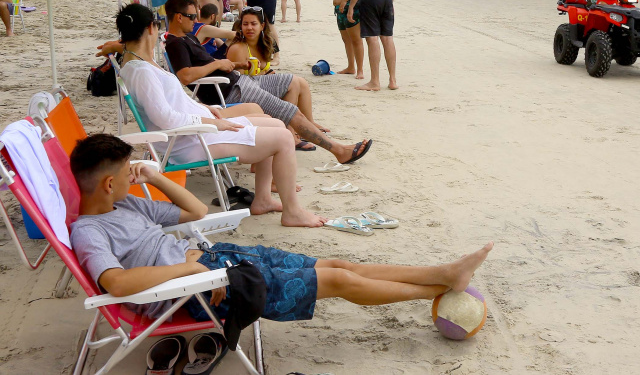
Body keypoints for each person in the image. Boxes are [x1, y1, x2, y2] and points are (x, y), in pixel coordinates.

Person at [68, 134, 493, 330]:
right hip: (202, 289)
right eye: (127, 172)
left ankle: (443, 272)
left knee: (338, 264)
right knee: (340, 281)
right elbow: (117, 282)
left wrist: (154, 178)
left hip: (214, 261)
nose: (132, 177)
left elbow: (195, 210)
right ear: (107, 184)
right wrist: (185, 271)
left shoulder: (126, 202)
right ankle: (439, 292)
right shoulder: (89, 231)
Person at [112, 6, 327, 227]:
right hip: (190, 141)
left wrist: (204, 108)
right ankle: (293, 211)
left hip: (194, 132)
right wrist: (212, 122)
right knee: (283, 138)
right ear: (151, 28)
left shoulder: (138, 64)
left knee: (276, 123)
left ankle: (263, 199)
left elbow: (171, 103)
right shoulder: (141, 71)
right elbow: (165, 118)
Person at [110, 0, 372, 162]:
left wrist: (233, 62)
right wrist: (218, 64)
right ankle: (337, 150)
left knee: (294, 83)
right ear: (152, 28)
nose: (196, 19)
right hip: (228, 89)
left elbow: (225, 34)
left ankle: (302, 134)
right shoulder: (174, 45)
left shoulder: (188, 37)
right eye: (192, 16)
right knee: (285, 109)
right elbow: (184, 77)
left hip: (234, 80)